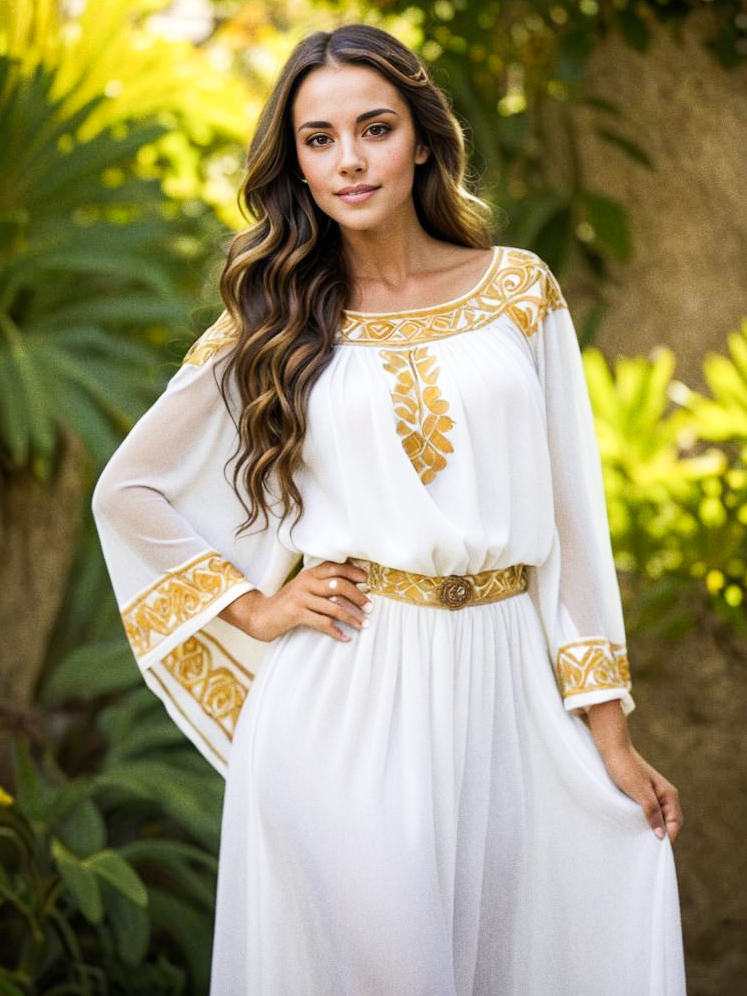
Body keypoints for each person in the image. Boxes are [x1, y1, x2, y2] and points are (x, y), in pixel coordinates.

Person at [91, 22, 688, 996]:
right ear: (296, 165)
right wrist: (255, 605)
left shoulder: (518, 293)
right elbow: (132, 489)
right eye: (318, 141)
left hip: (511, 694)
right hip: (346, 697)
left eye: (373, 128)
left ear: (421, 137)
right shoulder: (274, 318)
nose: (350, 160)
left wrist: (610, 735)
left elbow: (575, 524)